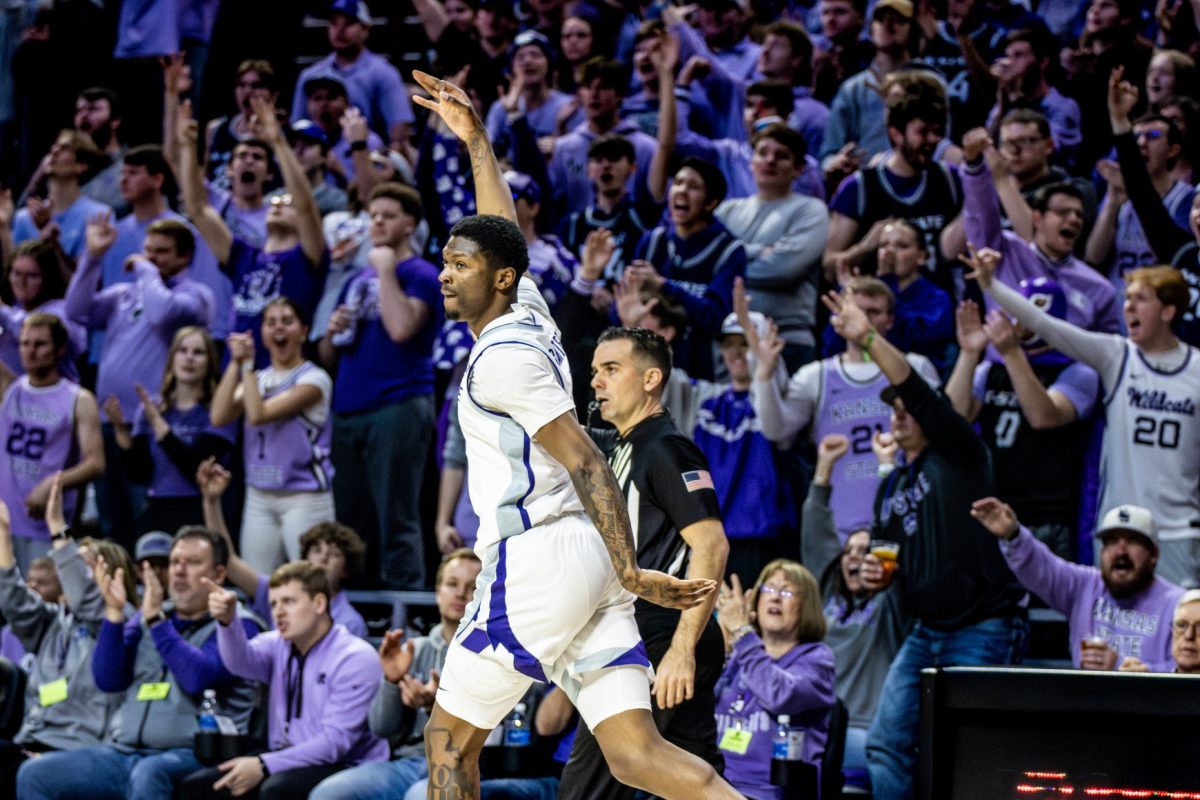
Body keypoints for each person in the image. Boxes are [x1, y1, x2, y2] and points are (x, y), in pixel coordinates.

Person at [408, 69, 729, 799]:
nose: (445, 276)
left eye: (461, 266)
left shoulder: (501, 361)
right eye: (446, 262)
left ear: (498, 280)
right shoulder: (530, 317)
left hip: (539, 558)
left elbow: (586, 461)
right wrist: (478, 144)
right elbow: (502, 234)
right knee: (637, 757)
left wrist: (632, 571)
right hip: (582, 556)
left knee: (448, 749)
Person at [817, 288, 1028, 799]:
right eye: (894, 411)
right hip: (925, 631)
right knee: (886, 744)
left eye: (909, 409)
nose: (901, 415)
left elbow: (919, 394)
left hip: (982, 626)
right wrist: (875, 576)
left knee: (974, 749)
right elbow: (887, 567)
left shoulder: (960, 454)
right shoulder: (891, 487)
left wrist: (867, 339)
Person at [559, 326, 730, 799]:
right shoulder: (623, 446)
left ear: (651, 378)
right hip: (645, 631)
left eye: (611, 370)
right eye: (594, 371)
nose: (596, 382)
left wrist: (681, 648)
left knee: (589, 785)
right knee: (690, 773)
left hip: (660, 631)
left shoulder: (666, 449)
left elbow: (712, 546)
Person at [970, 250, 1200, 589]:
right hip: (1119, 530)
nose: (1129, 307)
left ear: (1168, 311)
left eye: (1141, 300)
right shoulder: (1117, 355)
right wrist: (992, 286)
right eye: (1128, 298)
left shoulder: (1196, 369)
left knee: (1184, 635)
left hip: (1180, 531)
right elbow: (1047, 325)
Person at [15, 527, 262, 800]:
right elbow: (108, 679)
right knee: (36, 774)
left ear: (218, 574)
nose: (179, 571)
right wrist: (113, 614)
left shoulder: (238, 624)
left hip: (191, 753)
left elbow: (198, 677)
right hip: (124, 752)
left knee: (149, 774)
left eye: (192, 563)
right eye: (174, 562)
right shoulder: (151, 616)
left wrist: (157, 623)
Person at [749, 276, 940, 540]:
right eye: (858, 311)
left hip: (910, 520)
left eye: (874, 312)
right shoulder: (816, 375)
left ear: (890, 320)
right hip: (839, 527)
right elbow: (775, 430)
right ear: (838, 319)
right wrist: (764, 376)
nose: (864, 320)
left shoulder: (914, 368)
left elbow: (948, 428)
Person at [318, 182, 441, 590]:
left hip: (398, 403)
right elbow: (330, 358)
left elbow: (402, 327)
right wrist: (331, 334)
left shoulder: (422, 274)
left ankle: (404, 608)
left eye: (388, 215)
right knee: (350, 516)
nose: (378, 223)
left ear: (411, 224)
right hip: (350, 406)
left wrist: (387, 268)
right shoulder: (357, 278)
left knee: (396, 513)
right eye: (373, 216)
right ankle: (355, 603)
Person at [180, 561, 388, 799]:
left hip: (347, 763)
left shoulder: (355, 658)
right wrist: (228, 622)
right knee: (199, 787)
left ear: (319, 603)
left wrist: (264, 764)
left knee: (276, 790)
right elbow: (238, 663)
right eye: (273, 604)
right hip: (286, 755)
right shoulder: (277, 643)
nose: (278, 612)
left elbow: (335, 744)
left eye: (288, 602)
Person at [307, 548, 482, 800]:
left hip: (466, 764)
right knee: (328, 794)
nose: (460, 593)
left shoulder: (492, 655)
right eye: (451, 584)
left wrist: (437, 705)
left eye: (472, 587)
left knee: (418, 796)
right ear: (437, 593)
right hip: (409, 763)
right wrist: (391, 681)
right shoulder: (416, 649)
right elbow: (381, 728)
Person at [946, 287, 1099, 560]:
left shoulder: (1078, 372)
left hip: (1045, 516)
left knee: (1045, 602)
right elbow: (953, 421)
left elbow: (1043, 416)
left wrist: (1012, 353)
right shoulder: (992, 370)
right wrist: (969, 353)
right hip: (993, 509)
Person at [180, 96, 327, 365]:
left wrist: (279, 143)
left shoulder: (307, 258)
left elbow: (306, 206)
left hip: (283, 374)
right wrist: (188, 147)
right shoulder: (244, 257)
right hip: (235, 371)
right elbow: (199, 210)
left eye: (287, 202)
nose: (278, 204)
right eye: (276, 201)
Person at [801, 434, 909, 791]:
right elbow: (817, 536)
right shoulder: (826, 598)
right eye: (848, 551)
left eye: (864, 551)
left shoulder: (889, 604)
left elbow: (893, 535)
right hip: (819, 724)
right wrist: (824, 468)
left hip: (869, 730)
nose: (853, 557)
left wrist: (887, 468)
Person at [0, 478, 120, 794]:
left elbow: (89, 601)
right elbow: (15, 601)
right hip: (31, 739)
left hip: (79, 747)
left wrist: (57, 528)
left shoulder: (117, 625)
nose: (68, 572)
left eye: (82, 567)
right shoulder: (54, 622)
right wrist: (3, 540)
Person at [973, 499, 1186, 672]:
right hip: (1087, 711)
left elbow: (1191, 671)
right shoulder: (1085, 586)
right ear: (1101, 552)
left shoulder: (1178, 604)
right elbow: (1043, 568)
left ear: (1153, 555)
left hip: (1150, 716)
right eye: (1111, 541)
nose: (1120, 551)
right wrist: (1014, 535)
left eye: (1132, 541)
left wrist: (1124, 666)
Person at [211, 297, 335, 573]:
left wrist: (246, 368)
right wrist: (235, 363)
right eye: (271, 322)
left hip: (305, 495)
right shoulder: (260, 378)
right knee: (259, 584)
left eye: (287, 321)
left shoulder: (314, 379)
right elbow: (219, 416)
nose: (279, 328)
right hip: (259, 494)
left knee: (310, 578)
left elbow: (257, 415)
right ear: (262, 333)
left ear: (303, 331)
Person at [960, 128, 1121, 334]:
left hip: (1070, 365)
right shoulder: (1003, 253)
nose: (1073, 220)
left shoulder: (1099, 287)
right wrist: (974, 168)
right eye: (1062, 212)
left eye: (1079, 215)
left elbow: (1109, 352)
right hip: (1005, 360)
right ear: (1037, 218)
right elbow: (980, 213)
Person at [198, 455, 367, 638]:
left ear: (346, 570)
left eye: (334, 554)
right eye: (316, 550)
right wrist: (211, 502)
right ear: (305, 557)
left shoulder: (350, 622)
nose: (323, 558)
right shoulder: (276, 590)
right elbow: (229, 562)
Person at [712, 559, 836, 800]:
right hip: (712, 781)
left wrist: (742, 633)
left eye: (787, 591)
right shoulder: (739, 651)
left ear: (806, 606)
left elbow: (779, 696)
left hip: (767, 792)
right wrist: (723, 648)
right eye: (768, 589)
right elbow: (698, 708)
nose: (775, 597)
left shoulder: (818, 660)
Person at [717, 123, 828, 371]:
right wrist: (758, 251)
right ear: (751, 161)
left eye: (782, 156)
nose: (770, 161)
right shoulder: (726, 211)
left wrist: (733, 260)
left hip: (787, 339)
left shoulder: (810, 210)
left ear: (798, 169)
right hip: (731, 337)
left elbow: (784, 269)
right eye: (763, 153)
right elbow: (709, 265)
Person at [106, 326, 235, 536]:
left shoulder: (219, 412)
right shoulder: (151, 408)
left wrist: (160, 426)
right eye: (182, 351)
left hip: (199, 510)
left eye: (198, 352)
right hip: (155, 508)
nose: (189, 358)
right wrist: (121, 432)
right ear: (172, 359)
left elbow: (197, 470)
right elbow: (138, 474)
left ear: (210, 362)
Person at [0, 315, 104, 570]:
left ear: (60, 349)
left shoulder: (78, 399)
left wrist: (53, 483)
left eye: (39, 344)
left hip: (46, 525)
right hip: (4, 519)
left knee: (41, 601)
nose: (30, 351)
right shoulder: (13, 389)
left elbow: (96, 463)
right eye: (25, 344)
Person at [1105, 65, 1200, 345]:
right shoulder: (1181, 253)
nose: (1199, 216)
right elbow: (1142, 194)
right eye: (1196, 207)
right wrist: (1120, 121)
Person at [290, 0, 415, 148]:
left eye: (349, 23)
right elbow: (297, 126)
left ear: (366, 29)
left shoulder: (383, 72)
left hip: (368, 154)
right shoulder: (310, 75)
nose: (340, 30)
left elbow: (399, 127)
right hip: (317, 160)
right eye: (334, 23)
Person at [11, 130, 110, 259]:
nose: (54, 151)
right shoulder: (24, 218)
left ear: (80, 166)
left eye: (65, 148)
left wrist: (52, 238)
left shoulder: (98, 216)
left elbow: (84, 276)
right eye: (55, 146)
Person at [0, 238, 84, 379]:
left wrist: (2, 312)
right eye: (16, 274)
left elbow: (36, 329)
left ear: (47, 278)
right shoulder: (14, 310)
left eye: (32, 276)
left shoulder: (62, 311)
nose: (21, 282)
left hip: (55, 398)